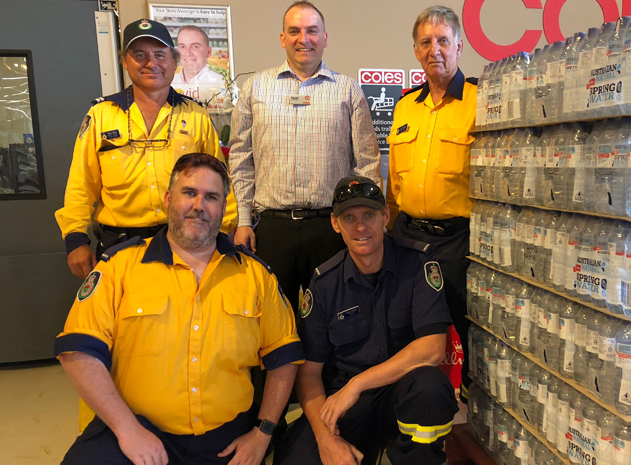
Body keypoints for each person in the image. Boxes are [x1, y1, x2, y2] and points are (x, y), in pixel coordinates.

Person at [55, 153, 303, 465]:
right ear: (169, 198)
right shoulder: (119, 267)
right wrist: (127, 429)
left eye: (211, 197)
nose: (199, 205)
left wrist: (263, 432)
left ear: (223, 207)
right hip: (134, 431)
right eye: (189, 193)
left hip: (227, 439)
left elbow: (285, 356)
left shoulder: (255, 276)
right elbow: (79, 353)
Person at [273, 176, 458, 465]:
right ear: (336, 224)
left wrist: (357, 384)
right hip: (346, 405)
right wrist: (326, 439)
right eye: (349, 217)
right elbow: (308, 373)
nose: (360, 227)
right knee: (299, 459)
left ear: (385, 216)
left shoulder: (418, 262)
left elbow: (433, 349)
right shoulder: (323, 284)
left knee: (431, 388)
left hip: (399, 390)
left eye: (369, 215)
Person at [55, 18, 237, 281]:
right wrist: (75, 240)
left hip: (184, 242)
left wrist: (227, 230)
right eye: (139, 55)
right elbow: (81, 184)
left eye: (160, 55)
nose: (151, 63)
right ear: (125, 62)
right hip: (118, 245)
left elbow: (219, 183)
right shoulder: (101, 116)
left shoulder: (196, 115)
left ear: (174, 62)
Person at [228, 0, 380, 312]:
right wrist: (243, 220)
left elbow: (367, 162)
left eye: (312, 31)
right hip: (271, 229)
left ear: (325, 38)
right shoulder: (254, 88)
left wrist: (370, 223)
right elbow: (241, 159)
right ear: (282, 38)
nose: (304, 39)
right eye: (294, 31)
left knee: (337, 316)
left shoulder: (348, 91)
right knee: (269, 318)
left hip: (331, 227)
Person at [386, 5, 476, 401]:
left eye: (443, 40)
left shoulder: (480, 101)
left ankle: (470, 400)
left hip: (459, 240)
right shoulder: (406, 106)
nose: (434, 49)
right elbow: (393, 180)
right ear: (416, 50)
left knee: (465, 323)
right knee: (407, 322)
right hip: (407, 236)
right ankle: (410, 397)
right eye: (426, 42)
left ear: (459, 45)